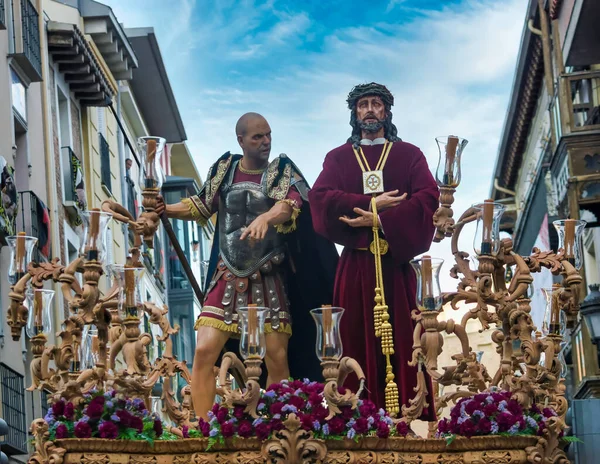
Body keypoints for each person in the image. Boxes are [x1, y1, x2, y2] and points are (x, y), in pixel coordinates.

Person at [156, 113, 337, 419]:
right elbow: (201, 205)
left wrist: (266, 217)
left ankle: (281, 425)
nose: (266, 141)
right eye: (257, 137)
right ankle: (202, 431)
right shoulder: (224, 170)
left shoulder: (281, 170)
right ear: (240, 140)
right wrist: (167, 209)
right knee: (203, 352)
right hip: (226, 275)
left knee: (277, 358)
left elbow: (290, 205)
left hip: (267, 275)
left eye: (268, 135)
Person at [308, 83, 439, 419]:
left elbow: (427, 198)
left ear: (386, 112)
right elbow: (320, 199)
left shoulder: (410, 155)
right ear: (354, 113)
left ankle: (406, 419)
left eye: (376, 105)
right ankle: (358, 420)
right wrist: (369, 204)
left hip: (395, 266)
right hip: (355, 269)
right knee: (354, 338)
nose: (369, 110)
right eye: (363, 104)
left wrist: (378, 220)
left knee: (407, 340)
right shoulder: (337, 158)